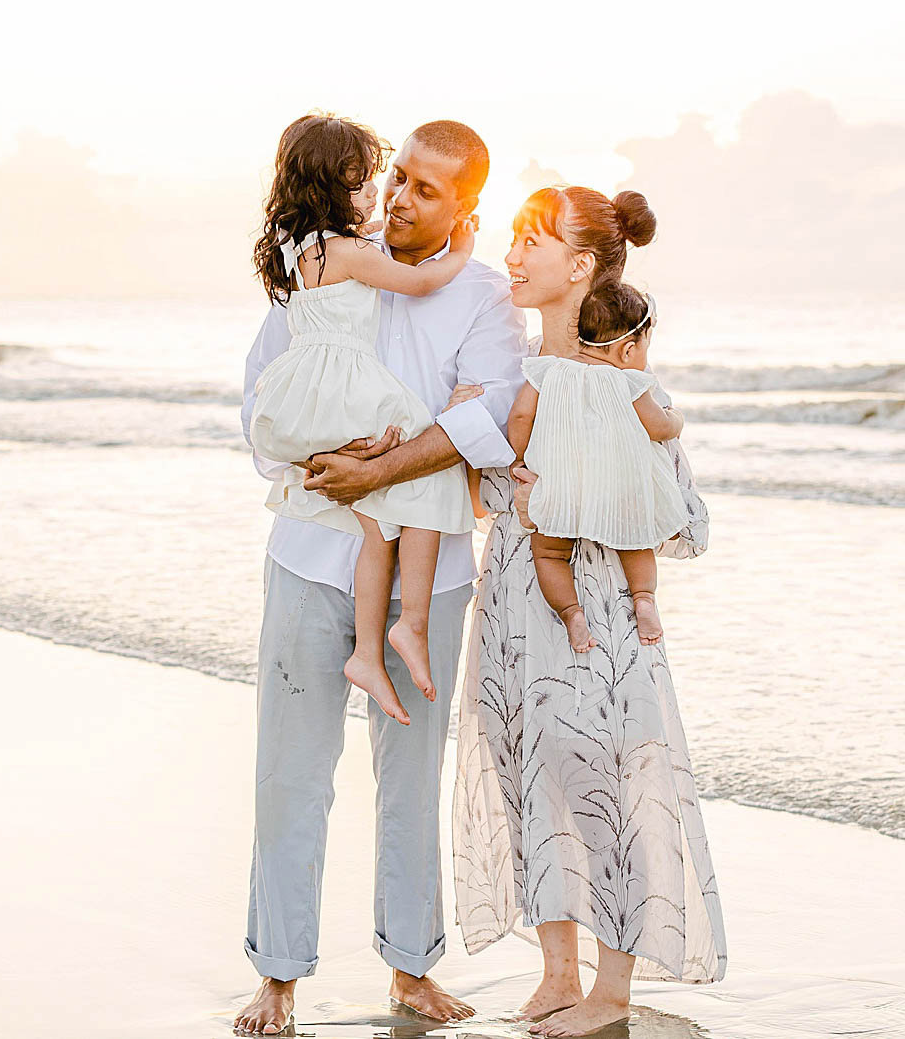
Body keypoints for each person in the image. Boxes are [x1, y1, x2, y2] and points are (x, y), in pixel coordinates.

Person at [234, 121, 527, 1035]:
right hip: (307, 555)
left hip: (426, 578)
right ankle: (277, 976)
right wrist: (331, 463)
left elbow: (485, 423)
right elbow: (259, 404)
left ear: (464, 209)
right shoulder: (317, 264)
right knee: (290, 773)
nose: (401, 196)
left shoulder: (482, 295)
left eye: (426, 189)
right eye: (396, 175)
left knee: (410, 774)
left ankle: (411, 969)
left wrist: (385, 469)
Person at [452, 186, 727, 1038]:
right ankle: (557, 974)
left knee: (606, 778)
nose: (513, 254)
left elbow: (687, 518)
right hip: (512, 592)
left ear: (578, 265)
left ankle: (613, 988)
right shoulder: (510, 374)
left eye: (532, 240)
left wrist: (584, 492)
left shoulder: (627, 382)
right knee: (522, 767)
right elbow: (483, 496)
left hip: (596, 604)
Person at [248, 113, 478, 725]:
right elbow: (423, 283)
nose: (382, 196)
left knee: (379, 522)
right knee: (427, 474)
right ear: (331, 192)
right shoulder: (357, 254)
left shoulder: (303, 248)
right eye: (370, 182)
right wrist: (461, 251)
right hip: (345, 399)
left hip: (303, 398)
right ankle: (408, 625)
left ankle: (374, 650)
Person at [509, 279, 685, 652]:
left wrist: (521, 457)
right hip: (619, 487)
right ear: (628, 350)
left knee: (549, 553)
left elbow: (522, 415)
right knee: (637, 542)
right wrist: (676, 419)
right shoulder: (630, 382)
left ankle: (572, 613)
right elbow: (658, 428)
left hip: (559, 485)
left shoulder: (548, 371)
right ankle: (644, 600)